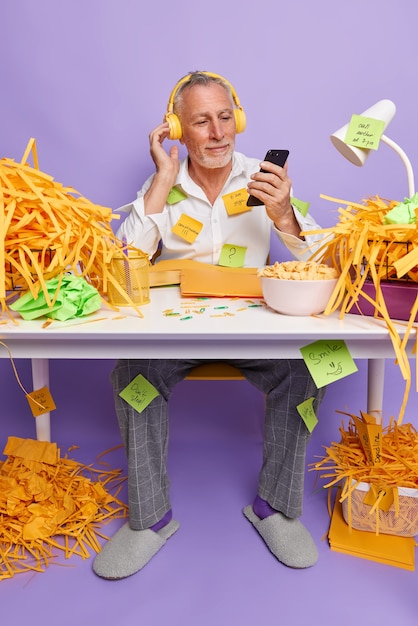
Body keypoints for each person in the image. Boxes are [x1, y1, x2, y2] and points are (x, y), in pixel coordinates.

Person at [93, 71, 326, 580]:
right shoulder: (164, 182)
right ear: (178, 130)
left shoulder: (264, 179)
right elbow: (124, 259)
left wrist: (285, 215)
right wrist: (159, 180)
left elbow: (320, 257)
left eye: (225, 117)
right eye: (202, 121)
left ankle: (276, 509)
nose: (219, 132)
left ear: (238, 120)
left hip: (256, 330)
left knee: (311, 369)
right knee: (132, 372)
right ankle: (148, 519)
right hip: (176, 331)